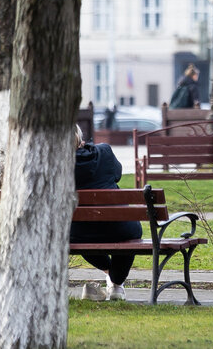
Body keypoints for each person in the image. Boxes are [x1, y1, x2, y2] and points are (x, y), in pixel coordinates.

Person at [71, 125, 142, 301]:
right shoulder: (104, 151)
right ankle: (116, 283)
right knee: (128, 232)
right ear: (80, 139)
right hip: (119, 226)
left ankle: (113, 278)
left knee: (80, 234)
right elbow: (117, 174)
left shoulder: (55, 165)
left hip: (79, 230)